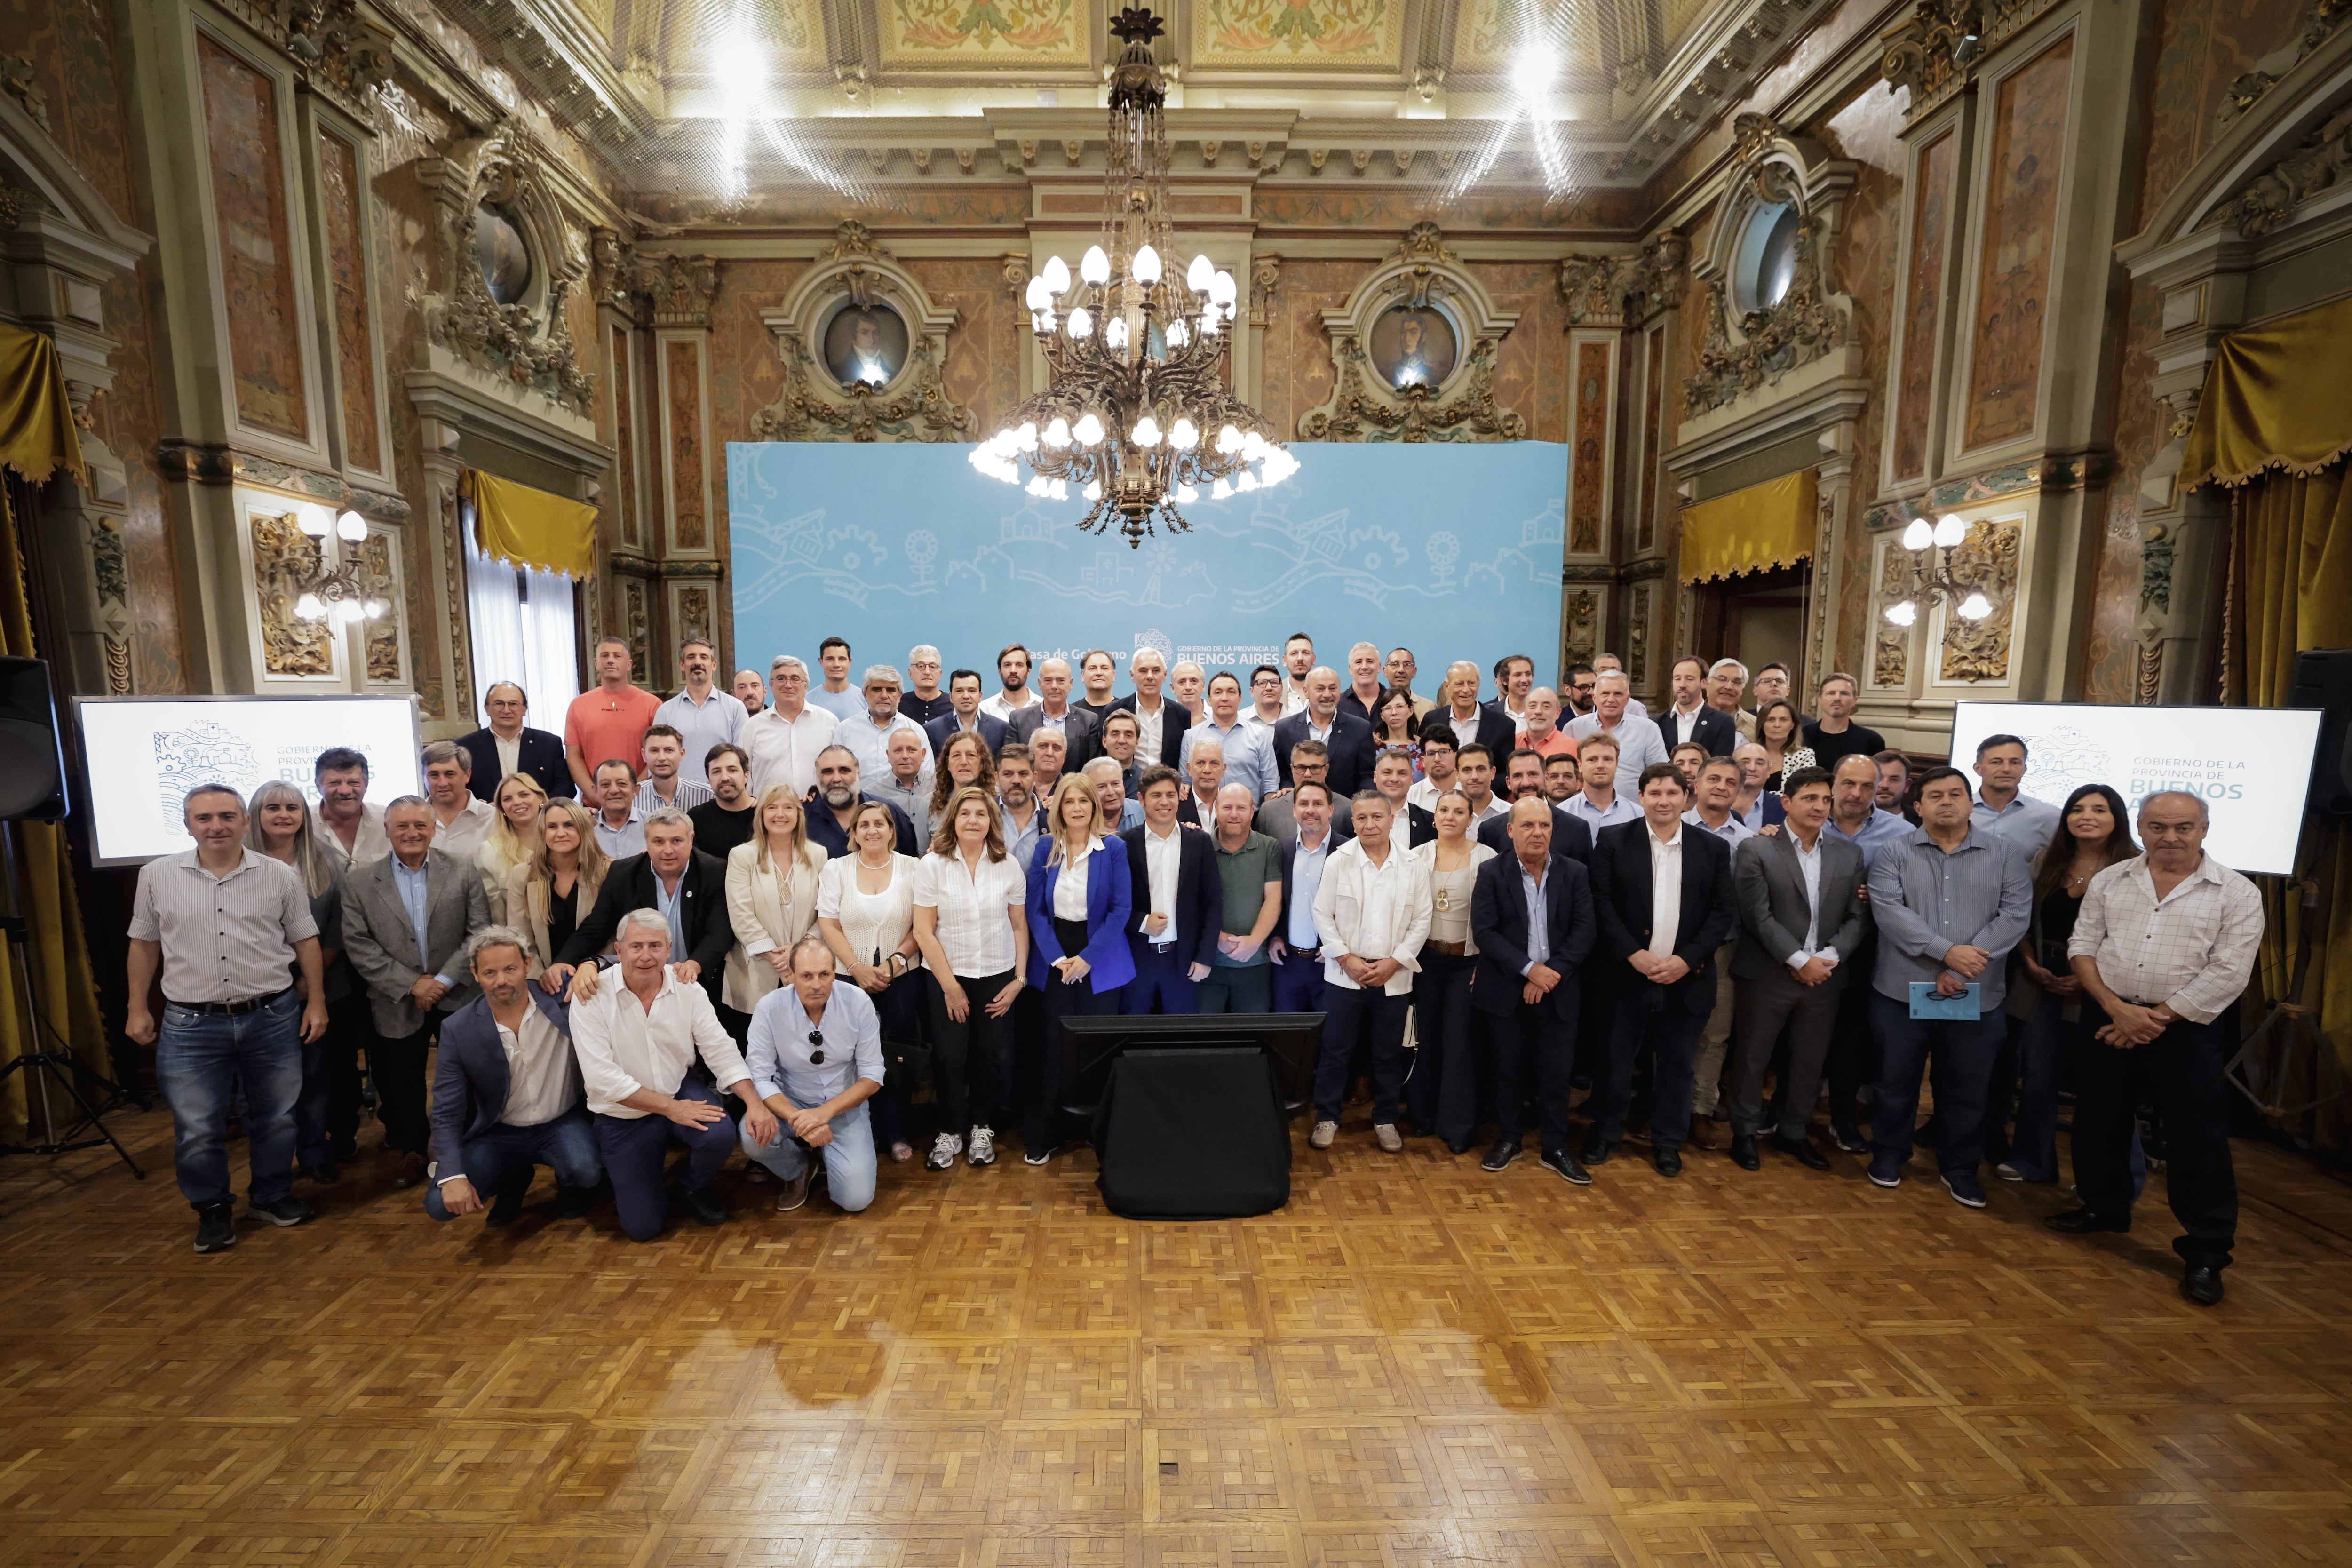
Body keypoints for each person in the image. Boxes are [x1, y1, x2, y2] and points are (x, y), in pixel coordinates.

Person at [2052, 791, 2265, 1305]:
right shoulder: (2111, 879)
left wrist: (2151, 1019)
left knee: (2197, 1140)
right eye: (2157, 827)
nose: (2169, 837)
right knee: (2098, 1120)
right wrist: (2114, 1007)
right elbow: (2082, 946)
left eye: (2182, 828)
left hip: (2185, 1028)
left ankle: (2206, 1252)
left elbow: (2228, 972)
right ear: (2141, 829)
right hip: (2109, 1014)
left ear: (2204, 829)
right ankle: (2104, 1209)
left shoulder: (2235, 893)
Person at [127, 784, 328, 1252]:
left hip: (272, 1015)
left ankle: (271, 1195)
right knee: (198, 1126)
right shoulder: (156, 875)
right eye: (204, 818)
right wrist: (137, 1006)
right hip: (191, 1025)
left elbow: (306, 942)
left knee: (276, 1117)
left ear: (244, 821)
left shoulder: (279, 875)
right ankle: (212, 1208)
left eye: (225, 816)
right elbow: (143, 944)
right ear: (188, 824)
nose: (215, 826)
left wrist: (315, 1001)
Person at [1863, 765, 2032, 1207]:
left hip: (1976, 995)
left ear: (1969, 800)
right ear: (1917, 806)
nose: (1946, 802)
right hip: (1902, 991)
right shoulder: (1893, 852)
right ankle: (1889, 1155)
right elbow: (1889, 911)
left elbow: (2015, 916)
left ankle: (1959, 1168)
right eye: (1935, 795)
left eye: (1955, 794)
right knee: (1894, 1083)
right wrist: (1946, 952)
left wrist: (1961, 966)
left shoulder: (2005, 854)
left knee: (1967, 1089)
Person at [568, 909, 773, 1240]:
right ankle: (640, 1182)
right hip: (623, 1112)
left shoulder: (687, 988)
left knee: (720, 1133)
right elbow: (601, 1079)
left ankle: (692, 1185)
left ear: (669, 948)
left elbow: (719, 1047)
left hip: (677, 1087)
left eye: (655, 946)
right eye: (636, 947)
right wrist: (671, 1109)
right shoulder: (591, 995)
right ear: (618, 951)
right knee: (643, 1228)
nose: (646, 956)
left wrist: (754, 1102)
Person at [1585, 764, 1738, 1176]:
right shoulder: (1615, 840)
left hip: (1686, 977)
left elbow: (1723, 912)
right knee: (1617, 1061)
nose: (1664, 800)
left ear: (1686, 797)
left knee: (1677, 1064)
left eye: (1673, 792)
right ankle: (1607, 1132)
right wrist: (1632, 953)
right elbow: (1601, 902)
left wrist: (1686, 960)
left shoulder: (1712, 848)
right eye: (1655, 793)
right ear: (1642, 797)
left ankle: (1669, 1141)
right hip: (1626, 976)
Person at [1724, 767, 1870, 1170]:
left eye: (1826, 799)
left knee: (1809, 1058)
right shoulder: (1757, 849)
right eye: (1810, 798)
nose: (1820, 806)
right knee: (1753, 1057)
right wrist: (1799, 960)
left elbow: (1859, 916)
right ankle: (1746, 1132)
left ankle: (1794, 1131)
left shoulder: (1849, 853)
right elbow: (1757, 915)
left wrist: (1828, 958)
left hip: (1826, 974)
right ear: (1786, 802)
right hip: (1769, 971)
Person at [341, 795, 488, 1189]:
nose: (412, 833)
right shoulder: (358, 882)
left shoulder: (462, 870)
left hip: (457, 994)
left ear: (432, 829)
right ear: (387, 830)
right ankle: (412, 1150)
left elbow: (479, 932)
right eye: (402, 826)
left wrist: (443, 980)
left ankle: (471, 1147)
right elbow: (359, 944)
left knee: (468, 1075)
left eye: (420, 825)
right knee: (401, 1081)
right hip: (395, 999)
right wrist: (412, 983)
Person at [2000, 783, 2138, 1185]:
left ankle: (2109, 1178)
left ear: (2117, 818)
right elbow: (2022, 917)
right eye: (2077, 808)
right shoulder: (2049, 859)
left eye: (2099, 809)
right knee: (2039, 1075)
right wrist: (2029, 962)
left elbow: (2135, 933)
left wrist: (2089, 978)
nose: (2087, 816)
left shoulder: (2134, 866)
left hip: (2102, 983)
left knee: (2104, 1083)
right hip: (2042, 977)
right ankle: (2033, 1161)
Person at [424, 927, 601, 1225]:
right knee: (439, 1206)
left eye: (510, 969)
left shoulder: (559, 997)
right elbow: (446, 1111)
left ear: (527, 965)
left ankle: (570, 1188)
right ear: (475, 974)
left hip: (562, 1121)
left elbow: (625, 963)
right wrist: (452, 1175)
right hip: (499, 1130)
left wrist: (592, 964)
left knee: (587, 1171)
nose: (501, 981)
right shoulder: (458, 1028)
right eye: (490, 972)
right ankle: (513, 1179)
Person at [1470, 794, 1596, 1183]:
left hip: (1559, 990)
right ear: (1510, 831)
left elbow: (1584, 931)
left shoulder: (1574, 872)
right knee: (1507, 1070)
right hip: (1506, 990)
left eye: (1544, 825)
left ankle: (1556, 1146)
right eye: (1527, 825)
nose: (1537, 832)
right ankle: (1509, 1138)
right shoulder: (1492, 872)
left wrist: (1549, 974)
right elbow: (1486, 932)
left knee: (1556, 1075)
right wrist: (1529, 972)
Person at [1306, 791, 1431, 1153]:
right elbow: (1321, 913)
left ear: (1392, 819)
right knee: (1335, 1050)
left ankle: (1387, 1118)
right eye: (1361, 818)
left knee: (1388, 1052)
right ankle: (1328, 1116)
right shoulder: (1339, 861)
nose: (1369, 824)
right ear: (1353, 822)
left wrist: (1395, 961)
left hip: (1394, 974)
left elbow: (1423, 919)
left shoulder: (1412, 865)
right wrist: (1346, 958)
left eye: (1377, 816)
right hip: (1345, 973)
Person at [912, 786, 1029, 1170]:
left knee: (988, 1055)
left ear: (991, 821)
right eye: (965, 814)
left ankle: (981, 1126)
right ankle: (949, 1130)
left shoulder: (1008, 864)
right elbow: (924, 931)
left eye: (981, 814)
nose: (973, 820)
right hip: (947, 977)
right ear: (953, 821)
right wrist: (951, 987)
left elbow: (1018, 925)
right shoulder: (932, 865)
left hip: (997, 974)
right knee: (949, 1057)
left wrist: (1019, 979)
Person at [246, 780, 354, 1184]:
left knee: (316, 1078)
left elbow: (340, 927)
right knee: (268, 1087)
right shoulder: (240, 862)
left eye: (292, 807)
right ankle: (272, 1167)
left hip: (319, 985)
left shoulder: (324, 859)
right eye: (272, 807)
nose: (283, 815)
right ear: (256, 815)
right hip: (260, 990)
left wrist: (312, 982)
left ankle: (314, 1152)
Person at [1023, 775, 1135, 1162]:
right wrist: (1057, 958)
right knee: (1052, 1048)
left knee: (1097, 1050)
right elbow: (1034, 910)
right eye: (1068, 801)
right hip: (1053, 957)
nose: (1076, 808)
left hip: (1101, 958)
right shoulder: (1044, 847)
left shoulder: (1114, 848)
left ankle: (1099, 1132)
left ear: (1094, 807)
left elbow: (1121, 909)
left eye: (1083, 802)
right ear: (1059, 808)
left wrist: (1087, 958)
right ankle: (1047, 1133)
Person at [739, 937, 885, 1212]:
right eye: (806, 976)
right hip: (788, 1102)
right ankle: (799, 1170)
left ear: (834, 973)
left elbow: (873, 1075)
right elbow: (761, 1077)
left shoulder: (858, 1002)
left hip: (843, 1106)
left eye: (824, 975)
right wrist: (800, 1119)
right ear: (791, 975)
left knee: (855, 1201)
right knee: (753, 1138)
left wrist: (824, 1114)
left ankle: (830, 1154)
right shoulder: (769, 1008)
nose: (817, 985)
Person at [818, 800, 926, 1164]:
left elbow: (922, 924)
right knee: (851, 1057)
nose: (872, 830)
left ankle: (896, 1132)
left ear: (892, 830)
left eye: (880, 823)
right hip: (849, 979)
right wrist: (856, 966)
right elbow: (828, 923)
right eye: (863, 825)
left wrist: (895, 962)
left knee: (896, 1056)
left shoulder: (914, 868)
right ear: (854, 833)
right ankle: (858, 1131)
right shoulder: (837, 869)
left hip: (903, 977)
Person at [1820, 752, 1915, 1148]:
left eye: (1866, 785)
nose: (1856, 793)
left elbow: (1912, 889)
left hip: (1865, 947)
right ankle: (1785, 1109)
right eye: (1848, 783)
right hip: (1800, 943)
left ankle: (1843, 1117)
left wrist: (1881, 895)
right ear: (1833, 784)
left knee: (1850, 1036)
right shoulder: (1807, 817)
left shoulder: (1900, 831)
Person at [555, 807, 732, 1017]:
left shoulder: (715, 871)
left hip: (698, 983)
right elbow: (596, 927)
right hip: (640, 985)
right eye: (658, 842)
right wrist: (563, 960)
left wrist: (695, 964)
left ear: (691, 840)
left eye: (676, 841)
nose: (668, 850)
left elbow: (720, 930)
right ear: (647, 842)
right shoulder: (623, 873)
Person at [1413, 789, 1494, 1154]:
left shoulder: (1487, 858)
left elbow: (1496, 918)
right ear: (1434, 816)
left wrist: (1487, 962)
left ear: (1470, 818)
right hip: (1427, 961)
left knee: (1459, 1043)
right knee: (1427, 1039)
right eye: (1443, 810)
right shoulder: (1416, 857)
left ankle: (1457, 1125)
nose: (1450, 816)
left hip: (1468, 964)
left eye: (1459, 811)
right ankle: (1424, 1116)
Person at [1681, 756, 1754, 1143]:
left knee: (1715, 1033)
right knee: (1668, 1031)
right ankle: (1664, 1105)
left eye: (1731, 781)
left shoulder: (1747, 843)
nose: (1722, 786)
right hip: (1672, 948)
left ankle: (1700, 1108)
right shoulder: (1670, 827)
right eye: (1714, 778)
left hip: (1723, 949)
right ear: (1696, 783)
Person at [723, 783, 827, 1026]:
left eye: (788, 807)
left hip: (809, 968)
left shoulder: (819, 855)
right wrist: (777, 958)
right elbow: (741, 914)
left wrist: (799, 954)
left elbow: (826, 911)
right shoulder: (742, 856)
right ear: (761, 815)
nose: (780, 814)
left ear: (799, 814)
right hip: (756, 971)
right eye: (772, 808)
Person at [1122, 766, 1223, 1015]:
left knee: (1181, 1040)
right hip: (1137, 959)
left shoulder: (1199, 841)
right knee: (1133, 1037)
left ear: (1179, 797)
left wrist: (1205, 957)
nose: (1165, 802)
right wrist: (1142, 922)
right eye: (1156, 796)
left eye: (1171, 794)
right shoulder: (1124, 844)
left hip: (1184, 959)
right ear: (1142, 799)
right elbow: (1113, 903)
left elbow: (1212, 902)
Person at [1200, 783, 1282, 1012]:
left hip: (1255, 963)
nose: (1234, 814)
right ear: (1216, 808)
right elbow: (1192, 903)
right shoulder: (1200, 846)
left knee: (1252, 1038)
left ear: (1253, 810)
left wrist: (1254, 941)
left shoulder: (1269, 847)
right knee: (1205, 1038)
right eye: (1227, 807)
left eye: (1241, 808)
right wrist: (1217, 938)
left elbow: (1273, 900)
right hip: (1208, 962)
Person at [508, 798, 608, 979]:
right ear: (543, 832)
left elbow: (611, 937)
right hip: (543, 981)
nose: (560, 833)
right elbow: (520, 940)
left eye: (569, 825)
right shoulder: (522, 875)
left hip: (598, 977)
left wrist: (593, 969)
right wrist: (542, 977)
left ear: (583, 829)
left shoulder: (608, 873)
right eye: (552, 827)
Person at [1269, 780, 1337, 1015]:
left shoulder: (1347, 851)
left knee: (1329, 1039)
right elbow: (1276, 900)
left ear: (1331, 809)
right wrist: (1276, 935)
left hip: (1330, 963)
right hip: (1288, 962)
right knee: (1288, 1039)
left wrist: (1337, 945)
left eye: (1318, 804)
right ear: (1294, 810)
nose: (1310, 810)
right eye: (1303, 804)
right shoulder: (1282, 849)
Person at [565, 635, 662, 795]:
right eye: (605, 656)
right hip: (594, 803)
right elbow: (574, 757)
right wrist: (594, 794)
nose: (611, 660)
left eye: (617, 656)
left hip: (643, 799)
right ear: (597, 663)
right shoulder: (579, 705)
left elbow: (659, 754)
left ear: (629, 664)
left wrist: (636, 791)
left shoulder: (653, 705)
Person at [741, 655, 840, 800]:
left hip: (819, 810)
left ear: (806, 686)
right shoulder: (752, 727)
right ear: (771, 685)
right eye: (781, 679)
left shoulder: (829, 722)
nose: (788, 685)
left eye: (795, 679)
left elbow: (840, 769)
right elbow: (744, 775)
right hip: (770, 812)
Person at [654, 636, 748, 787]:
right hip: (678, 799)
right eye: (691, 657)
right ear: (682, 665)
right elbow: (658, 758)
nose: (698, 662)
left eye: (704, 657)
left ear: (714, 665)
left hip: (721, 797)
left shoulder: (735, 708)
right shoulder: (666, 711)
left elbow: (742, 759)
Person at [458, 681, 573, 802]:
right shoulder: (466, 746)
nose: (506, 710)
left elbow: (566, 787)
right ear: (487, 709)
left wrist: (540, 808)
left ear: (525, 709)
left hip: (539, 818)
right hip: (486, 818)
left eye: (513, 704)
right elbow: (460, 789)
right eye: (499, 704)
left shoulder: (549, 744)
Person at [1273, 666, 1378, 795]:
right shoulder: (1284, 728)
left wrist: (1360, 805)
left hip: (1345, 811)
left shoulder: (1360, 729)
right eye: (1320, 689)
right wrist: (1287, 790)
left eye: (1333, 688)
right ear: (1306, 692)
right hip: (1298, 809)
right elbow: (1280, 773)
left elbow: (1367, 775)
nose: (1327, 695)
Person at [804, 745, 921, 860]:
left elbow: (910, 864)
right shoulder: (801, 816)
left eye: (844, 771)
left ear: (858, 773)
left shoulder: (891, 813)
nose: (836, 779)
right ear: (818, 777)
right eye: (828, 772)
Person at [837, 663, 936, 796]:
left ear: (900, 696)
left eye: (891, 690)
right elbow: (835, 772)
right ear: (865, 694)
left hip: (905, 810)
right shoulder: (846, 730)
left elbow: (927, 779)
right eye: (877, 690)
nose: (884, 696)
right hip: (857, 807)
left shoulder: (915, 731)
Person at [1566, 672, 1669, 796]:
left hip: (1634, 811)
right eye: (1605, 694)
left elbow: (1659, 774)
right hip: (1581, 810)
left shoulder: (1648, 729)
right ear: (1594, 697)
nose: (1611, 700)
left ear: (1627, 699)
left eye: (1618, 694)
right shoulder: (1574, 728)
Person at [1181, 671, 1277, 802]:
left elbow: (1270, 784)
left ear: (1240, 699)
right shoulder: (1191, 736)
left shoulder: (1259, 735)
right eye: (1218, 692)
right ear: (1209, 699)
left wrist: (1266, 818)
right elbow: (1185, 783)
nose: (1224, 698)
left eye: (1231, 692)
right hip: (1203, 817)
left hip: (1251, 817)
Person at [1968, 734, 2061, 857]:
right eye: (1996, 762)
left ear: (2024, 769)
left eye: (2015, 762)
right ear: (1978, 769)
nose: (2007, 769)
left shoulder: (2050, 817)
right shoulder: (1959, 811)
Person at [475, 772, 547, 923]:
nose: (517, 802)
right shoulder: (490, 851)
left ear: (540, 798)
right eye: (507, 799)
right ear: (502, 808)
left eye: (524, 795)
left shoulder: (562, 841)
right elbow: (496, 915)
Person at [1006, 657, 1103, 767]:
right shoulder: (1019, 720)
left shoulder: (1089, 721)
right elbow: (1011, 763)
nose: (1054, 686)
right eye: (1048, 681)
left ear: (1071, 684)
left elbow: (1093, 767)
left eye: (1061, 681)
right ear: (1039, 683)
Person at [1257, 741, 1355, 842]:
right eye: (1301, 768)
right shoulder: (1269, 811)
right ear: (1292, 769)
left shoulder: (1348, 808)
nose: (1308, 774)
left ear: (1326, 769)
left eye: (1315, 768)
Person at [1110, 646, 1191, 768]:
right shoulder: (1115, 710)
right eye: (1143, 671)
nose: (1150, 676)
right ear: (1133, 676)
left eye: (1156, 671)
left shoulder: (1181, 714)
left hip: (1168, 784)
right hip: (1126, 783)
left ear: (1165, 675)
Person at [311, 746, 389, 872]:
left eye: (353, 783)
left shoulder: (389, 820)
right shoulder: (303, 824)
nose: (345, 791)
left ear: (366, 784)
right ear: (318, 785)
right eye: (335, 783)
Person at [421, 740, 498, 860]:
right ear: (424, 777)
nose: (442, 783)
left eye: (450, 774)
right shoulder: (412, 821)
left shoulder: (493, 820)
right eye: (434, 775)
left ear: (467, 775)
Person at [1429, 661, 1517, 760]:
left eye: (1471, 683)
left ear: (1478, 685)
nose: (1466, 690)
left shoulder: (1503, 725)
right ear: (1447, 687)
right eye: (1459, 684)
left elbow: (1504, 771)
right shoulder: (1432, 720)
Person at [1802, 673, 1884, 775]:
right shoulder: (1802, 736)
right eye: (1831, 693)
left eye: (1844, 693)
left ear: (1855, 700)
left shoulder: (1872, 741)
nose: (1837, 698)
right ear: (1820, 700)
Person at [690, 743, 759, 860]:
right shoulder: (697, 818)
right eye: (717, 772)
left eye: (732, 770)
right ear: (709, 780)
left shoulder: (764, 813)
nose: (725, 778)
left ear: (746, 776)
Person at [1561, 733, 1638, 837]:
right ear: (1580, 765)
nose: (1600, 765)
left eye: (1607, 759)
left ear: (1617, 764)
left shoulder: (1637, 815)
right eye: (1592, 760)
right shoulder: (1562, 813)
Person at [869, 728, 937, 843]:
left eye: (912, 750)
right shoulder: (873, 795)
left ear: (923, 754)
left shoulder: (942, 786)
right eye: (898, 750)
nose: (905, 756)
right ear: (888, 755)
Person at [1661, 656, 1739, 756]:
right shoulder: (1657, 723)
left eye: (1689, 679)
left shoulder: (1722, 722)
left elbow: (1720, 765)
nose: (1682, 685)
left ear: (1704, 683)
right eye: (1677, 679)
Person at [926, 668, 1009, 755]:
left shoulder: (1001, 728)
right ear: (951, 697)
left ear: (980, 696)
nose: (966, 696)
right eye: (959, 691)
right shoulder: (932, 730)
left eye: (972, 691)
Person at [634, 725, 714, 812]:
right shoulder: (631, 798)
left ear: (682, 754)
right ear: (644, 755)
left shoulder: (708, 796)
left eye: (669, 750)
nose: (662, 758)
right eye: (654, 751)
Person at [997, 743, 1045, 867]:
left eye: (1023, 774)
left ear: (1035, 777)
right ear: (996, 778)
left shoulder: (1051, 816)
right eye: (1008, 774)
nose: (1016, 781)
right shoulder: (984, 813)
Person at [589, 758, 647, 860]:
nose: (614, 790)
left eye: (622, 784)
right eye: (605, 785)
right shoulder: (586, 828)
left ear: (636, 790)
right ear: (596, 791)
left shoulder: (653, 825)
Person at [1754, 698, 1813, 792]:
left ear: (1793, 725)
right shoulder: (1749, 755)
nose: (1777, 725)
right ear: (1762, 724)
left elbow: (1804, 794)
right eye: (1771, 720)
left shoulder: (1805, 756)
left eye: (1783, 720)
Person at [1368, 687, 1422, 776]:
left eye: (1400, 706)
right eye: (1388, 708)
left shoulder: (1423, 747)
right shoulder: (1374, 746)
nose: (1394, 713)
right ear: (1382, 715)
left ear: (1411, 710)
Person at [809, 635, 864, 722]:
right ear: (821, 662)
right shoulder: (808, 701)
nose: (836, 665)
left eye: (842, 659)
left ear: (849, 662)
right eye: (830, 659)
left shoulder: (865, 700)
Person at [981, 642, 1040, 721]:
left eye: (1019, 665)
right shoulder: (985, 709)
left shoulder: (1042, 706)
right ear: (999, 671)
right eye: (1007, 665)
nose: (1013, 671)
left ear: (1028, 671)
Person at [1706, 659, 1758, 745]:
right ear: (1707, 684)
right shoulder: (1692, 718)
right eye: (1722, 679)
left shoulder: (1755, 726)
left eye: (1737, 682)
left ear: (1743, 689)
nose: (1729, 687)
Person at [1083, 756, 1143, 831]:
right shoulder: (1081, 820)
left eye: (1115, 784)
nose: (1111, 792)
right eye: (1102, 787)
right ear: (1087, 791)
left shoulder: (1144, 811)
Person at [1404, 731, 1460, 811]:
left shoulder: (1468, 792)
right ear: (1423, 761)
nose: (1437, 759)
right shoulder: (1410, 796)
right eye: (1431, 754)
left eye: (1444, 752)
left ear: (1457, 757)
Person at [1180, 738, 1228, 828]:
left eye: (1214, 763)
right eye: (1200, 763)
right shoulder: (1174, 806)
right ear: (1189, 768)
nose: (1207, 770)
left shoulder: (1233, 807)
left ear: (1223, 769)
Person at [1520, 688, 1576, 764]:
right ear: (1525, 710)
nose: (1538, 711)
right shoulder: (1512, 742)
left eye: (1546, 706)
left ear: (1558, 713)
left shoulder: (1572, 747)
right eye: (1533, 706)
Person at [1098, 709, 1146, 798]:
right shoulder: (1090, 780)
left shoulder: (1148, 782)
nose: (1121, 741)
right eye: (1115, 734)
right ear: (1104, 741)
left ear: (1137, 743)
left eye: (1129, 736)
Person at [1338, 642, 1388, 725]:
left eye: (1370, 661)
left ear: (1379, 667)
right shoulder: (1339, 705)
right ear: (1350, 669)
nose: (1364, 667)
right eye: (1358, 662)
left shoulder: (1393, 702)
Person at [902, 644, 953, 725]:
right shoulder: (899, 705)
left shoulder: (953, 705)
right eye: (921, 666)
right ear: (910, 673)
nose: (927, 672)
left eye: (932, 667)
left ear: (940, 674)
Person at [1589, 654, 1650, 718]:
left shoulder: (1635, 708)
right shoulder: (1585, 701)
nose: (1609, 673)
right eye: (1603, 670)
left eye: (1614, 670)